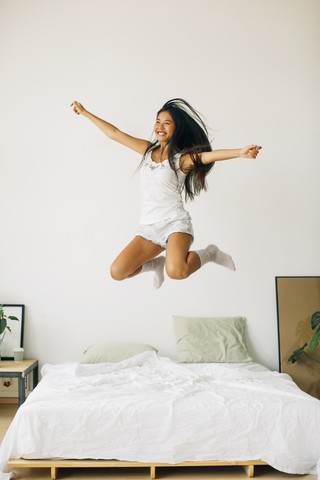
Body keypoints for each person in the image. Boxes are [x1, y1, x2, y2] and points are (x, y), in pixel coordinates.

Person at [71, 98, 261, 288]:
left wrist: (239, 152)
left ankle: (210, 253)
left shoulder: (181, 160)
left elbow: (206, 157)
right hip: (148, 228)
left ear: (177, 128)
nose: (160, 127)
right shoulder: (147, 150)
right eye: (158, 121)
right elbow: (115, 133)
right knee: (118, 272)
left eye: (167, 123)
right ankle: (156, 264)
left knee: (177, 272)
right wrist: (86, 113)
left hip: (174, 224)